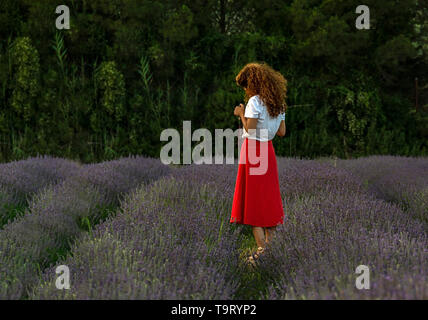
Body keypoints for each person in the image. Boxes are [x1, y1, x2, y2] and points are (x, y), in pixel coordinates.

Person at [230, 62, 287, 266]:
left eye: (246, 86)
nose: (245, 90)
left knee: (254, 203)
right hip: (268, 152)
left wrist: (241, 114)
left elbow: (251, 130)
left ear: (252, 83)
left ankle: (262, 252)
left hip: (254, 150)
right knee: (269, 200)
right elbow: (281, 132)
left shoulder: (254, 101)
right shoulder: (278, 103)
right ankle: (270, 251)